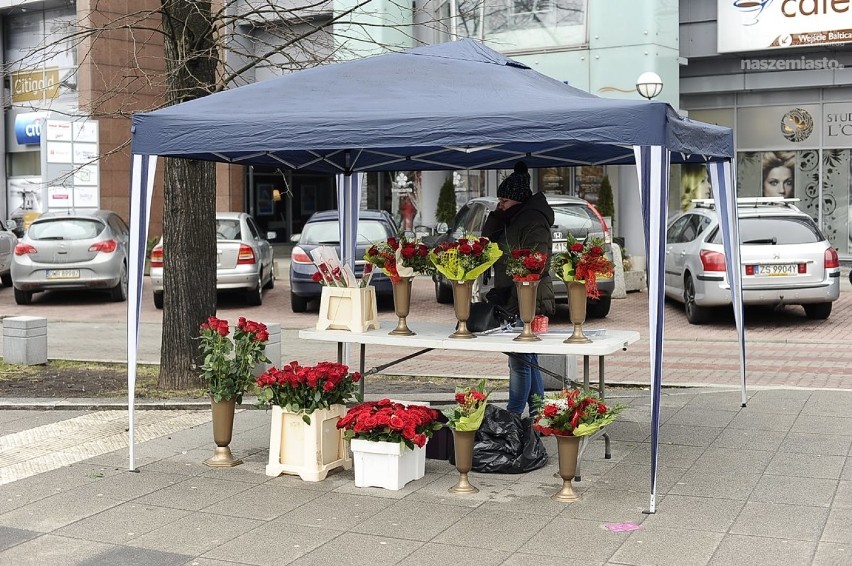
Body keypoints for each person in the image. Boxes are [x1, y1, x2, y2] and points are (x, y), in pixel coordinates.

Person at [482, 161, 556, 417]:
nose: (500, 203)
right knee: (528, 358)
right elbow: (486, 240)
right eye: (499, 199)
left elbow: (533, 265)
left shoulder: (533, 221)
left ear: (518, 200)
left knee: (520, 360)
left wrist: (513, 304)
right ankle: (538, 413)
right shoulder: (510, 218)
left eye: (504, 199)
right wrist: (496, 214)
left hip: (528, 297)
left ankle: (513, 414)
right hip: (513, 294)